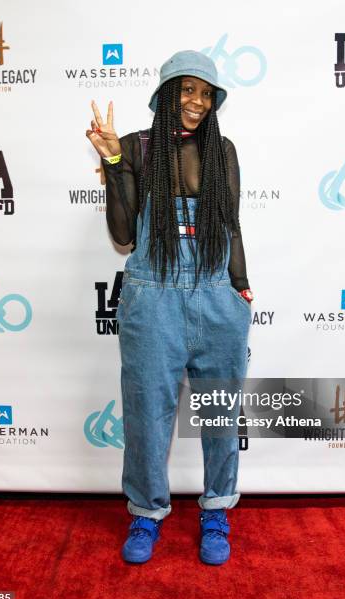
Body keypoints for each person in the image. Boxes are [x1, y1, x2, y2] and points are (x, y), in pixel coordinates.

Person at [86, 50, 253, 566]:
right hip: (152, 295)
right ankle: (146, 512)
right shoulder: (136, 146)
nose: (197, 103)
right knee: (145, 415)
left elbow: (232, 226)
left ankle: (217, 510)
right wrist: (113, 162)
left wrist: (239, 286)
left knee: (220, 414)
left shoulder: (223, 150)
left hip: (214, 292)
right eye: (187, 91)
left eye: (206, 94)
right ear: (164, 95)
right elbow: (121, 233)